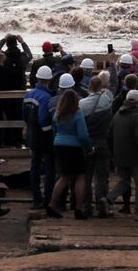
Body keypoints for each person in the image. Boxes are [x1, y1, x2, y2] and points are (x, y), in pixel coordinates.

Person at [108, 88, 138, 220]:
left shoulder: (117, 115)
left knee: (124, 181)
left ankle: (108, 198)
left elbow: (110, 134)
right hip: (135, 156)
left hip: (119, 155)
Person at [47, 88, 91, 219]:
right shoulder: (77, 114)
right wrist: (89, 148)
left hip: (59, 145)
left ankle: (52, 205)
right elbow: (83, 135)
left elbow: (55, 129)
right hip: (74, 146)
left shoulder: (57, 113)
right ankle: (78, 208)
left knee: (63, 177)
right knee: (80, 177)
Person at [22, 65, 56, 209]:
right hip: (44, 137)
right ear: (49, 80)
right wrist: (51, 132)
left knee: (34, 166)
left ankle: (36, 197)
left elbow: (23, 115)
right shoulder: (46, 97)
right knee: (49, 167)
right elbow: (43, 119)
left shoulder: (28, 95)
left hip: (31, 135)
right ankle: (48, 198)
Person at [81, 74, 115, 217]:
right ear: (101, 87)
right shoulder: (107, 99)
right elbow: (114, 84)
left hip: (87, 142)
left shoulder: (81, 104)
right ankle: (102, 204)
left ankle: (86, 206)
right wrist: (112, 63)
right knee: (102, 176)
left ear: (89, 87)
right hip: (103, 141)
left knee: (86, 177)